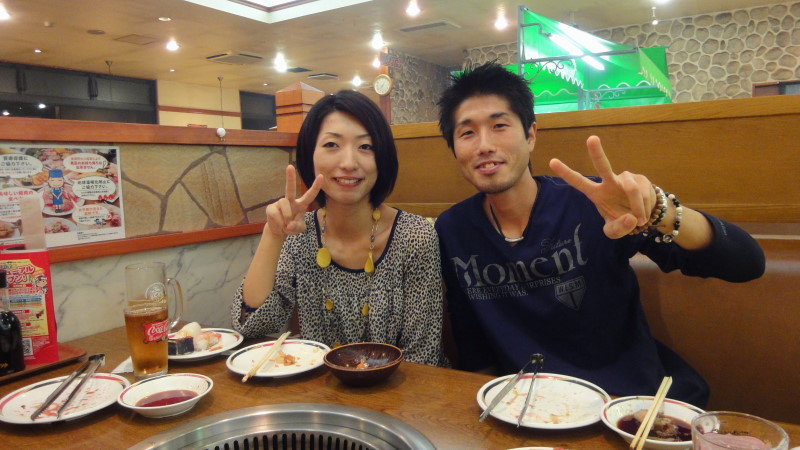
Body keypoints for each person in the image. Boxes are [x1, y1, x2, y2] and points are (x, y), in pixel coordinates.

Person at [434, 62, 764, 406]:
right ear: (454, 149)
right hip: (528, 411)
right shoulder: (454, 229)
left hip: (628, 405)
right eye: (467, 133)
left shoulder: (596, 202)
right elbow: (472, 341)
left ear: (531, 135)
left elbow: (746, 264)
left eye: (499, 126)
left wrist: (658, 211)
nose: (484, 145)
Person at [232, 90, 446, 366]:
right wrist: (273, 235)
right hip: (320, 387)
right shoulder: (300, 235)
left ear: (382, 158)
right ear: (310, 155)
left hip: (399, 387)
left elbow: (423, 357)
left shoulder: (415, 236)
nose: (348, 163)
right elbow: (252, 326)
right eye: (332, 144)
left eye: (365, 146)